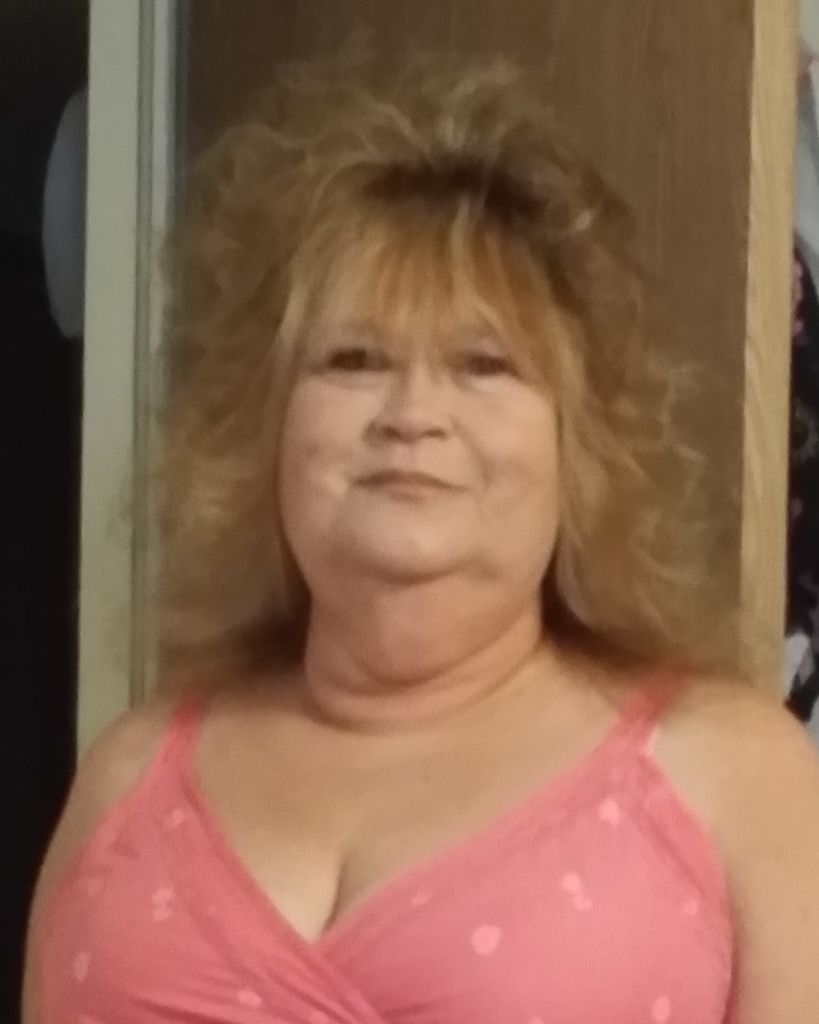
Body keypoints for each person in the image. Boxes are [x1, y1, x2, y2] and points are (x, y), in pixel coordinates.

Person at [23, 58, 819, 1023]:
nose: (413, 414)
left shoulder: (732, 776)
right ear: (264, 428)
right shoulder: (129, 773)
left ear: (580, 443)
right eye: (353, 360)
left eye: (483, 365)